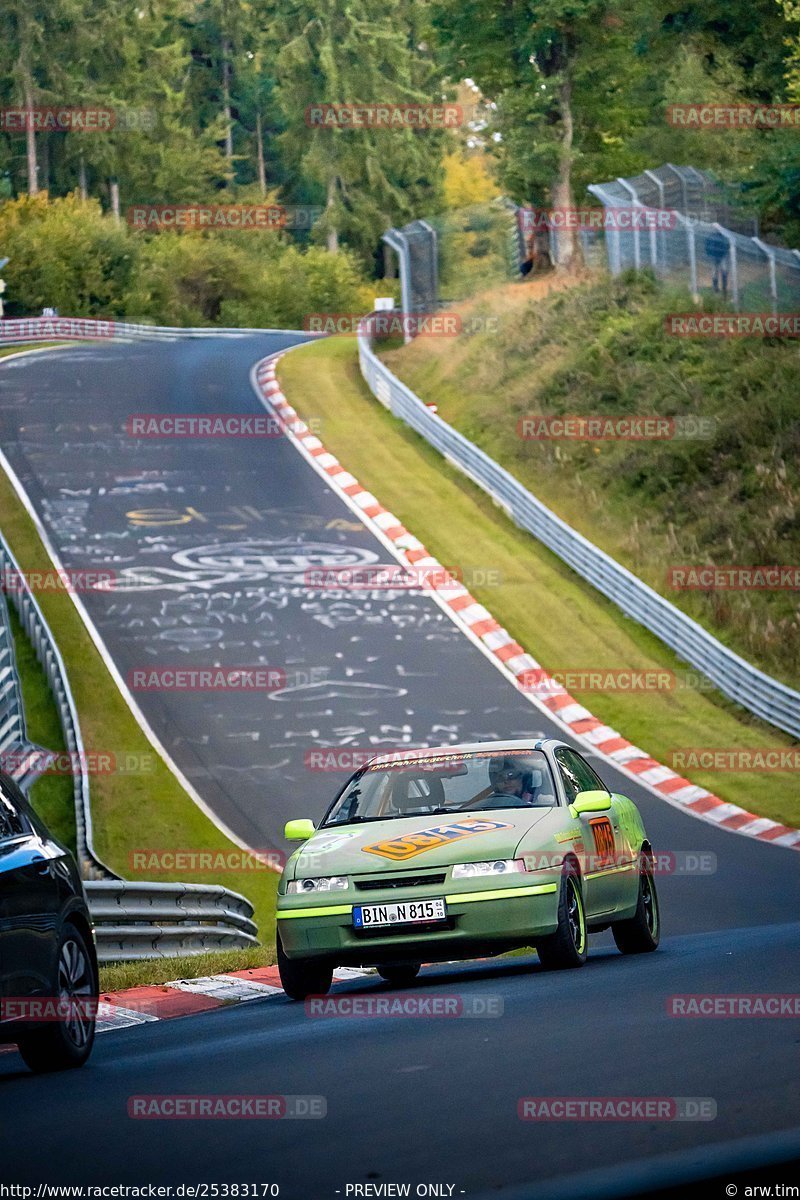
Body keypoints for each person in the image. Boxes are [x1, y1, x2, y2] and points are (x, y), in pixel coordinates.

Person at [704, 231, 729, 295]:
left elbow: (706, 246)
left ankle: (721, 287)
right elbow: (727, 246)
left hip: (717, 256)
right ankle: (720, 287)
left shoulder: (720, 236)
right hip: (717, 256)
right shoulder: (720, 236)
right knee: (720, 270)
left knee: (719, 271)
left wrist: (709, 254)